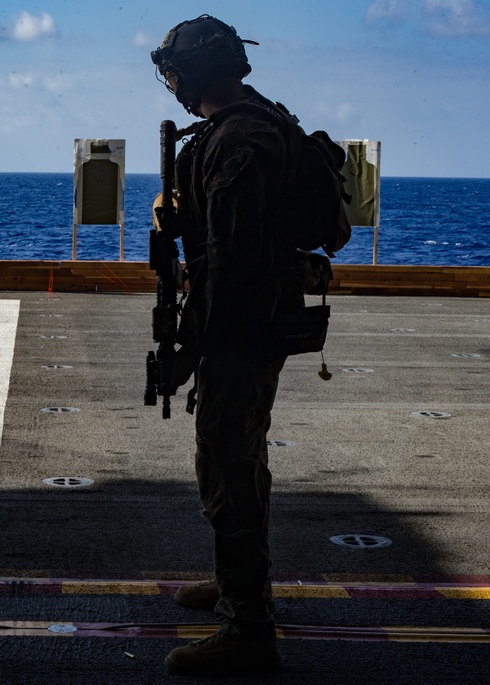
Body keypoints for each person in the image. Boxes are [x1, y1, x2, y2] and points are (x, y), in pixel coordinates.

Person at [150, 15, 326, 677]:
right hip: (264, 316)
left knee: (227, 462)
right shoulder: (262, 122)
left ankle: (247, 626)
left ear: (191, 73)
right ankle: (236, 584)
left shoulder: (235, 144)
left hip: (243, 324)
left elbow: (229, 262)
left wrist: (192, 351)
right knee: (241, 454)